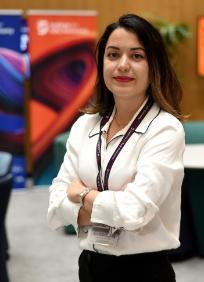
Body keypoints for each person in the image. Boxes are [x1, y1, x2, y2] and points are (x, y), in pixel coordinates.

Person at [47, 13, 185, 282]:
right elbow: (55, 204)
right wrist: (109, 209)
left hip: (142, 272)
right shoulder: (84, 125)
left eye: (136, 56)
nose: (123, 65)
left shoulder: (165, 129)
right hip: (89, 266)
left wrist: (83, 194)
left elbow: (134, 211)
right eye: (113, 55)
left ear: (153, 65)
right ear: (102, 64)